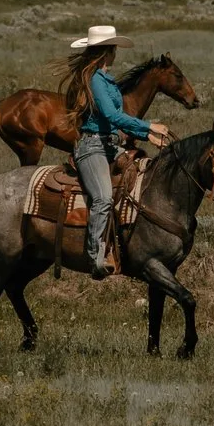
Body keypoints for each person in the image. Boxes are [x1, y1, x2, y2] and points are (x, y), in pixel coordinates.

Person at [62, 24, 170, 278]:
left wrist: (148, 136)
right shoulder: (95, 80)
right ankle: (94, 255)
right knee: (102, 198)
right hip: (93, 147)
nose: (115, 53)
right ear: (107, 51)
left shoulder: (105, 79)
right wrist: (149, 126)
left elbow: (115, 120)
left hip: (110, 145)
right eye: (113, 48)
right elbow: (113, 115)